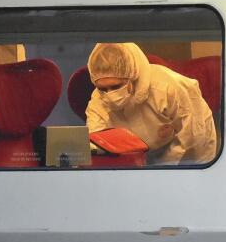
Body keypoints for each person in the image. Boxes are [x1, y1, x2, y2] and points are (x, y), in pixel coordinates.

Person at [85, 43, 217, 165]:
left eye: (116, 87)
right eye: (102, 89)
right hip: (137, 157)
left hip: (189, 149)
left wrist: (165, 168)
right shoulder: (97, 102)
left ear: (132, 76)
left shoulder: (167, 87)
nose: (109, 94)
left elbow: (193, 135)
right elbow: (96, 144)